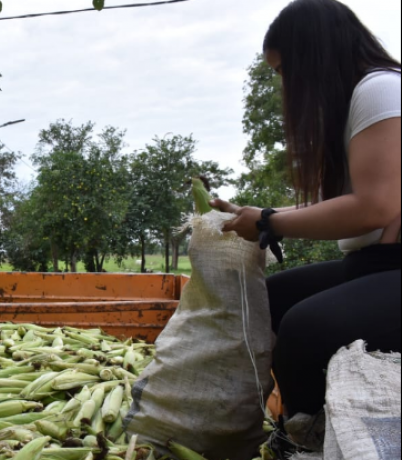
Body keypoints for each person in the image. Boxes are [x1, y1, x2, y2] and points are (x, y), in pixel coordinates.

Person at [211, 0, 401, 450]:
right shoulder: (361, 98)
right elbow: (355, 206)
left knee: (304, 328)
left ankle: (309, 442)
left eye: (282, 71)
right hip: (378, 261)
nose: (283, 84)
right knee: (271, 298)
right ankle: (294, 425)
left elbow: (374, 207)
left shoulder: (380, 90)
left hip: (393, 263)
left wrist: (270, 222)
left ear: (312, 57)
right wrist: (261, 218)